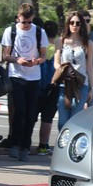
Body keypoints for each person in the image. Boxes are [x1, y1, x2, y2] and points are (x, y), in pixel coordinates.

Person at [1, 3, 47, 161]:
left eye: (29, 22)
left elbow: (44, 55)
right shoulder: (10, 31)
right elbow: (5, 55)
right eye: (23, 22)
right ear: (18, 18)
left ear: (32, 19)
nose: (26, 25)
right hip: (16, 76)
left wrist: (36, 61)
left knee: (30, 114)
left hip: (34, 77)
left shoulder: (40, 32)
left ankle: (25, 147)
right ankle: (14, 144)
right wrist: (17, 60)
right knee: (19, 111)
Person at [54, 12, 93, 130]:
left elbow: (90, 66)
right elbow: (56, 62)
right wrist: (63, 70)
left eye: (78, 23)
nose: (74, 25)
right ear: (68, 24)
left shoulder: (88, 43)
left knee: (74, 119)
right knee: (62, 121)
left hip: (81, 85)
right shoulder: (60, 41)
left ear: (82, 25)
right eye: (72, 23)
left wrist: (92, 88)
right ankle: (62, 145)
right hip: (64, 84)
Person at [35, 20, 59, 155]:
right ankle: (43, 146)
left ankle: (24, 144)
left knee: (31, 116)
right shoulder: (58, 47)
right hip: (53, 86)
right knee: (47, 118)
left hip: (38, 85)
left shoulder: (40, 48)